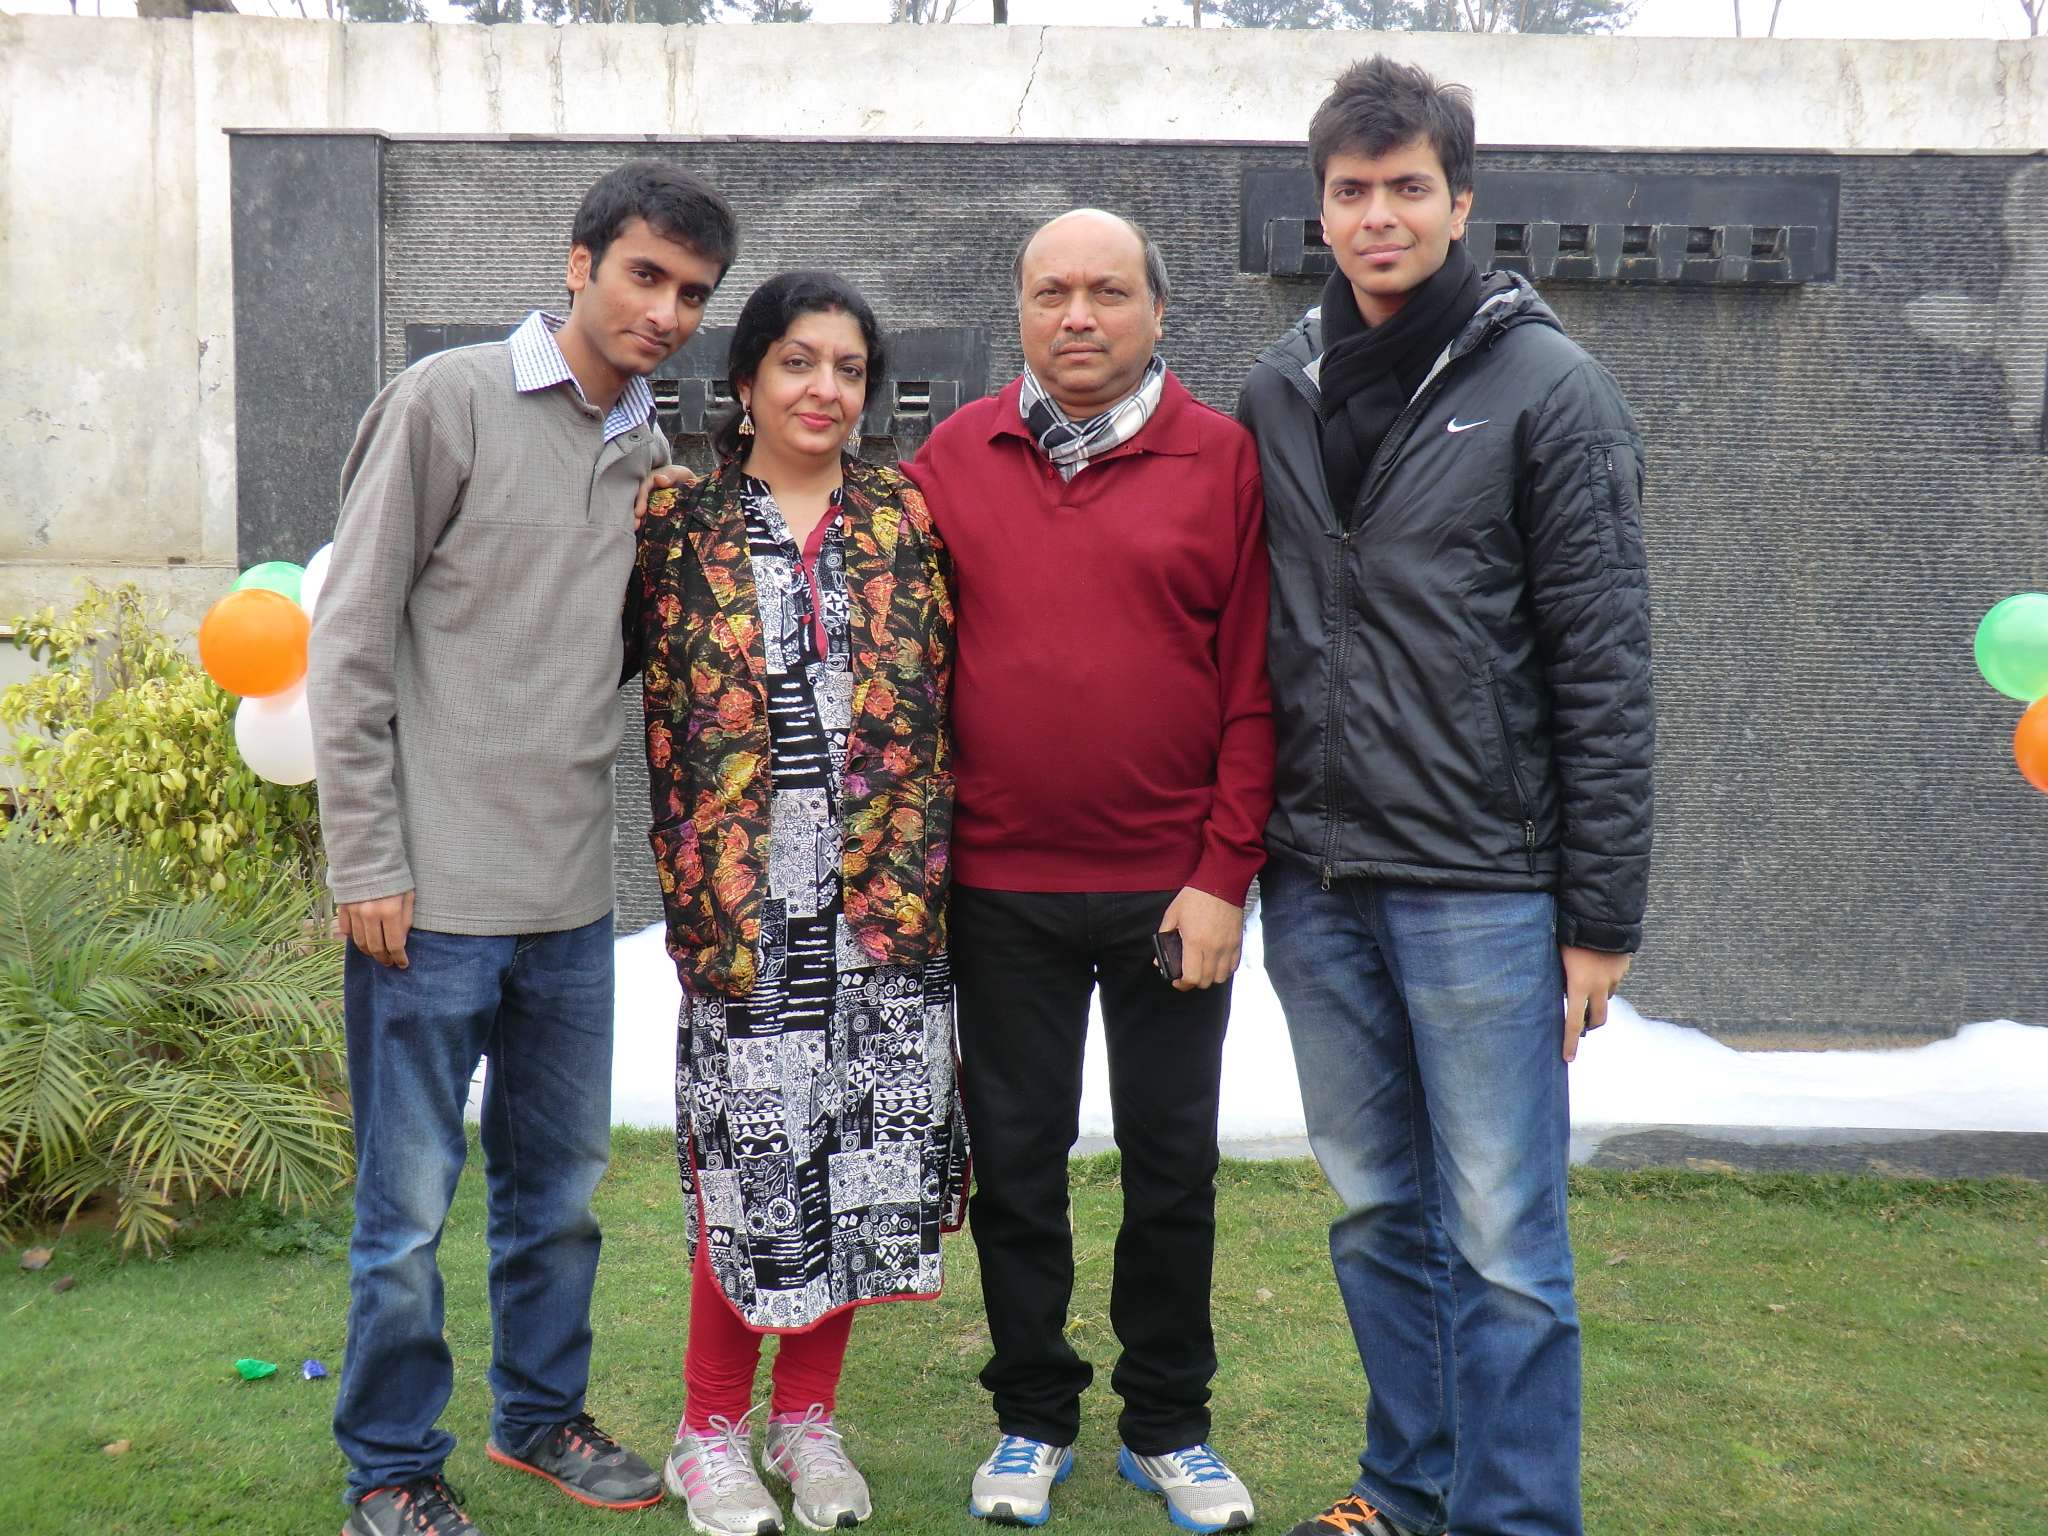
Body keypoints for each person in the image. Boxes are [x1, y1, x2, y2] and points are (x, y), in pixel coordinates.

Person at [1236, 57, 1655, 1536]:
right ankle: (1404, 1492)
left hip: (1483, 884)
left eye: (1407, 188)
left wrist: (1598, 920)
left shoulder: (1549, 388)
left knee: (1502, 1237)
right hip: (1315, 881)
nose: (1378, 216)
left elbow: (1604, 667)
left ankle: (1516, 1517)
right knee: (1374, 1211)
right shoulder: (1278, 390)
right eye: (1351, 190)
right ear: (1320, 209)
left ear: (1461, 203)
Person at [308, 159, 737, 1536]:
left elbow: (618, 663)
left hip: (567, 902)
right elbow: (349, 637)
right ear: (578, 263)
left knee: (556, 1200)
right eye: (644, 276)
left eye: (691, 294)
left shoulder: (649, 461)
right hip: (427, 896)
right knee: (406, 1218)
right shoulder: (447, 401)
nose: (665, 312)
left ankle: (540, 1417)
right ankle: (390, 1467)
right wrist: (365, 857)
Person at [904, 209, 1273, 1534]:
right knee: (1018, 1162)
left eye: (1106, 291)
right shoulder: (953, 459)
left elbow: (1256, 688)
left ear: (1156, 312)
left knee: (1172, 1166)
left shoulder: (1221, 461)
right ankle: (1032, 1417)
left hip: (1172, 890)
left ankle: (1168, 1424)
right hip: (1000, 888)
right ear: (1017, 310)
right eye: (1050, 291)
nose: (1076, 315)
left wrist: (1224, 875)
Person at [634, 271, 966, 1536]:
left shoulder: (908, 518)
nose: (824, 388)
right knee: (754, 1170)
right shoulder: (679, 524)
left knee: (860, 1169)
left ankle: (806, 1421)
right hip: (746, 915)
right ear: (745, 381)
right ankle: (707, 1432)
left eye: (848, 368)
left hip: (884, 909)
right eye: (796, 362)